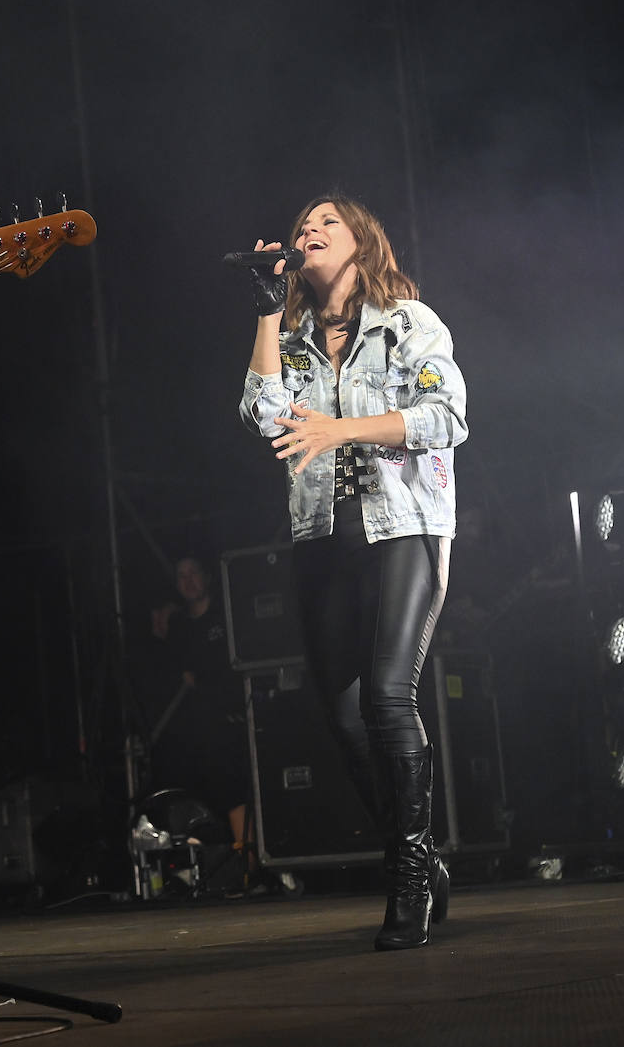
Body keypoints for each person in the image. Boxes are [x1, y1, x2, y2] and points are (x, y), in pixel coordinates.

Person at [237, 194, 467, 950]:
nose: (310, 230)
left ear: (362, 242)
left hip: (404, 524)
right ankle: (422, 854)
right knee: (342, 720)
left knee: (389, 697)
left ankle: (405, 874)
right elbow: (265, 419)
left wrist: (343, 428)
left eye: (326, 222)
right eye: (304, 224)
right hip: (323, 536)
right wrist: (269, 312)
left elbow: (446, 415)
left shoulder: (409, 321)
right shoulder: (296, 337)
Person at [147, 556, 252, 864]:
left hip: (232, 721)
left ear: (206, 576)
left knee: (235, 789)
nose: (188, 580)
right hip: (194, 729)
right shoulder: (178, 627)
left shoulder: (226, 616)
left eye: (194, 573)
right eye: (181, 576)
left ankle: (250, 863)